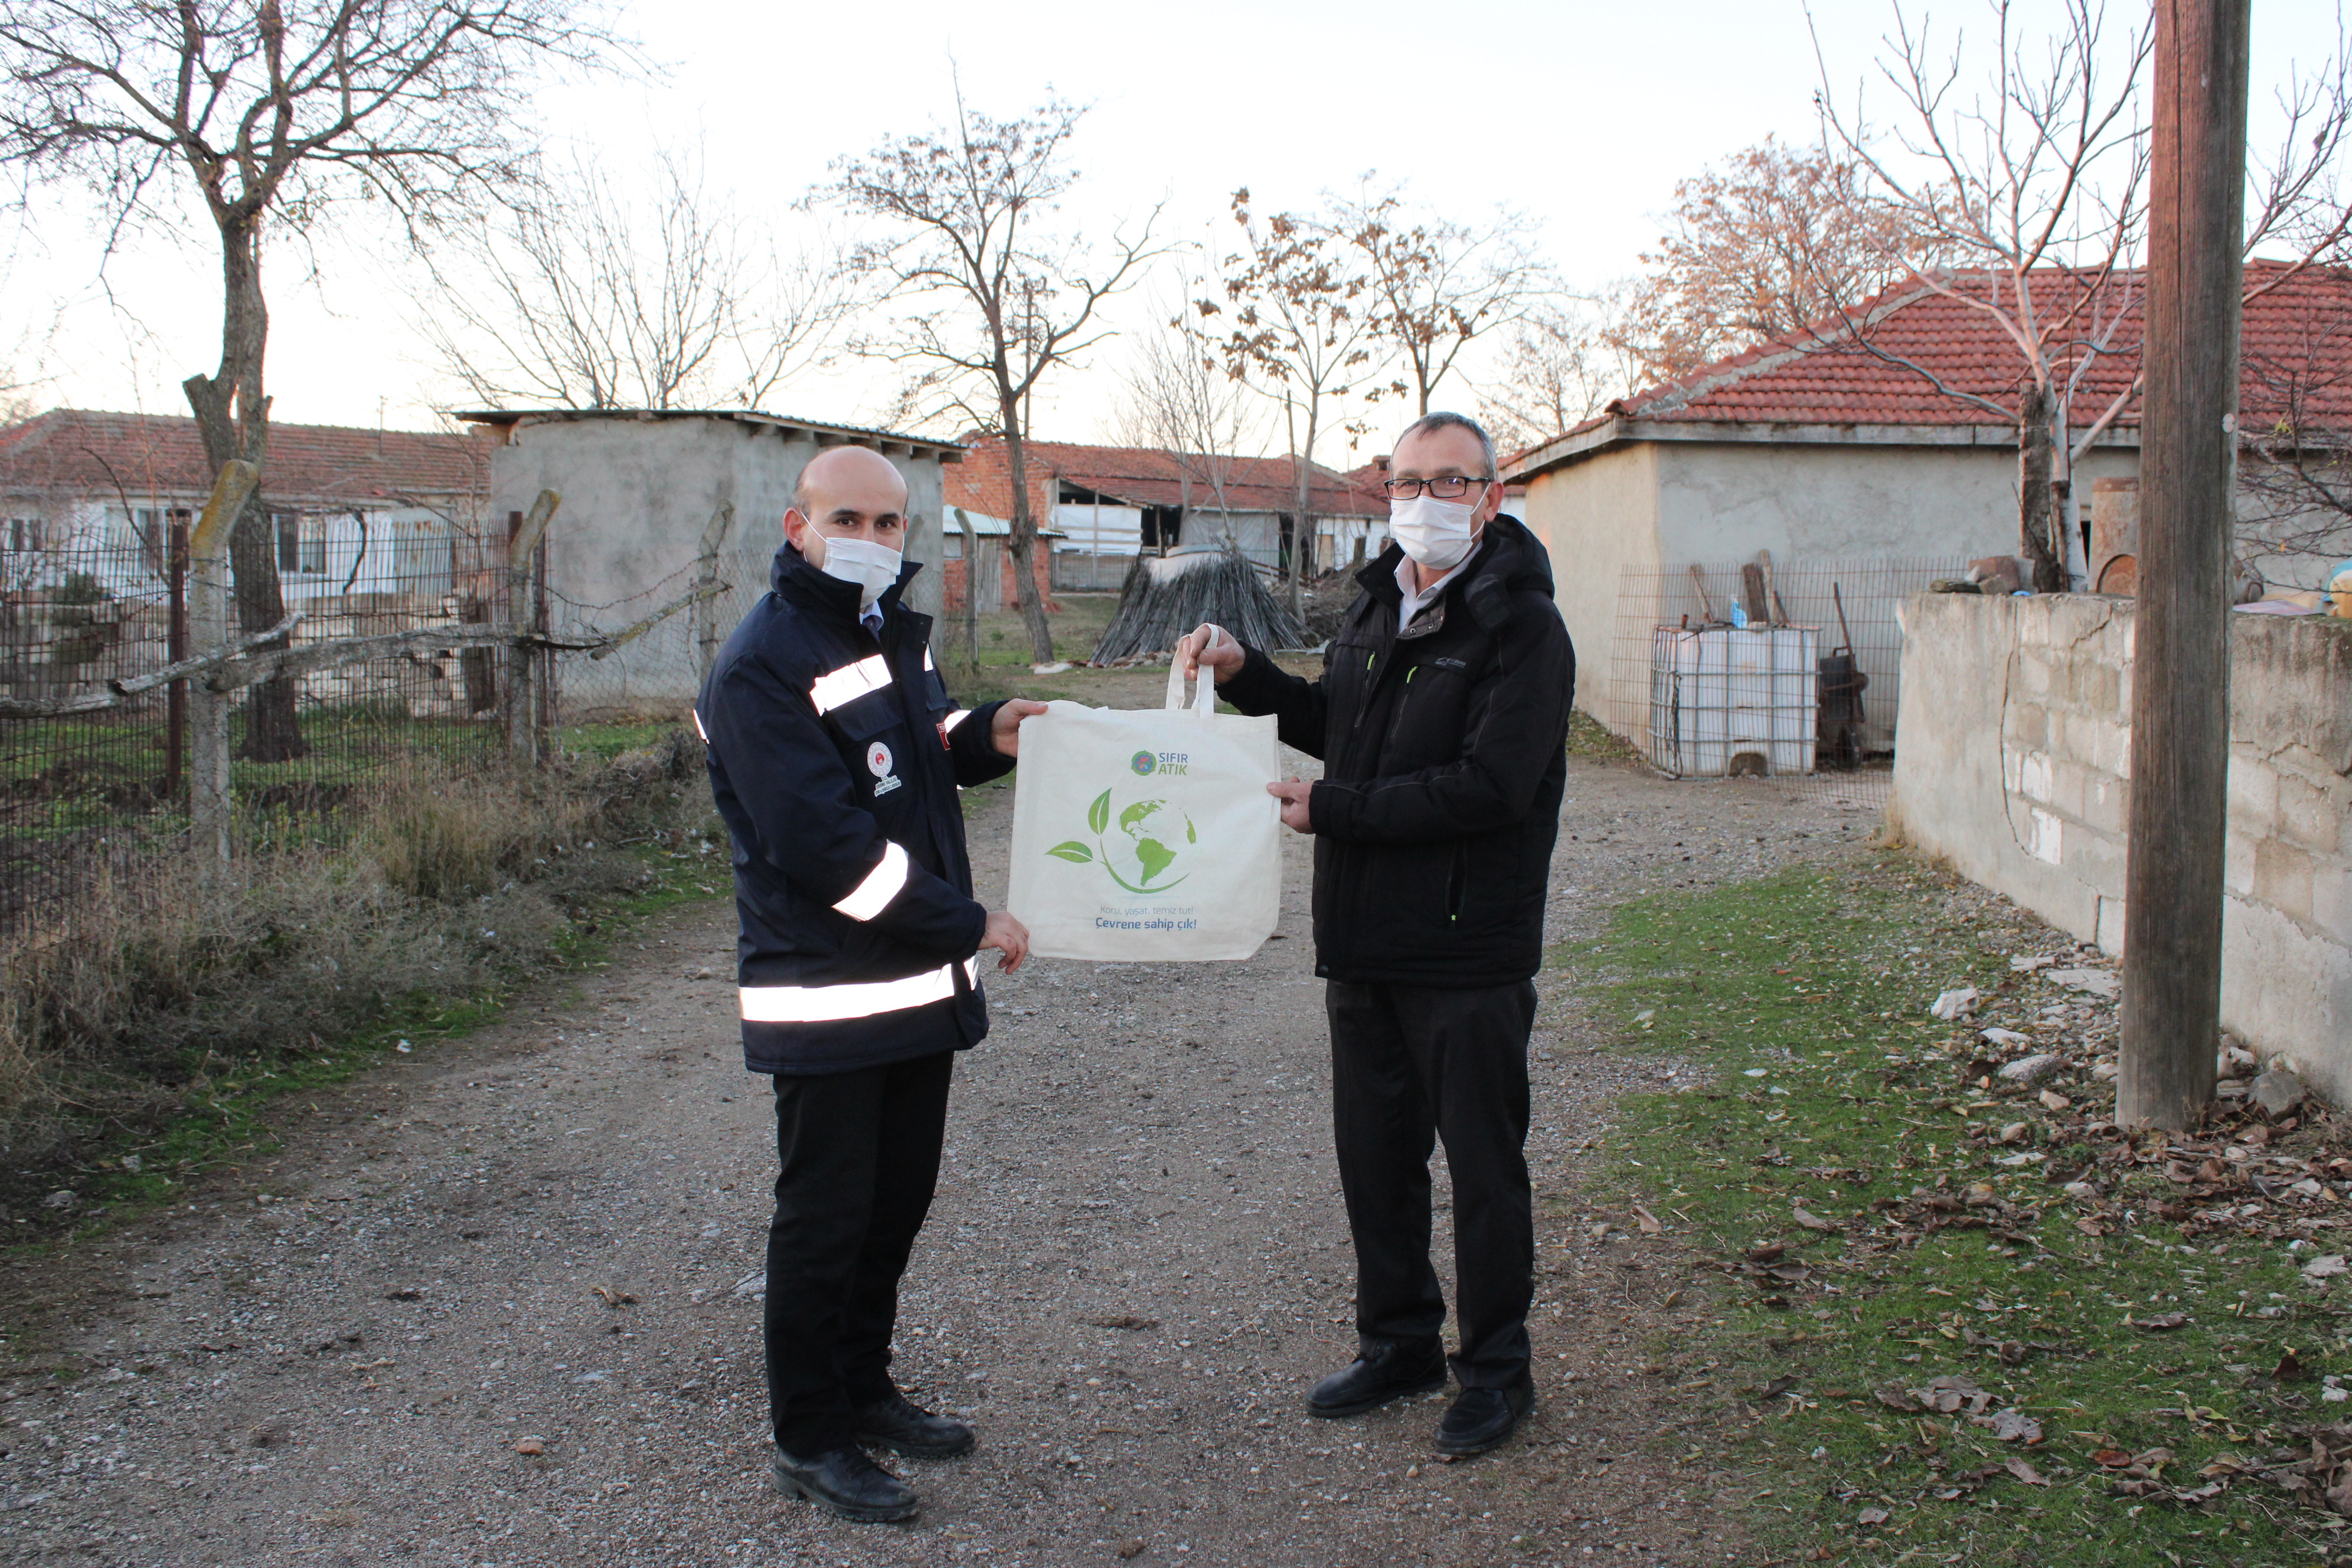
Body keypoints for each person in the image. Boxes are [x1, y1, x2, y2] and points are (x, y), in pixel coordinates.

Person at [1177, 411, 1573, 1457]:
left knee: (1484, 1170)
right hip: (1363, 941)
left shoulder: (1521, 625)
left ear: (1492, 498)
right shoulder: (1373, 606)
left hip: (1465, 948)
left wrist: (1337, 810)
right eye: (1408, 483)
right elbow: (1338, 726)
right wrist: (1241, 674)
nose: (1426, 502)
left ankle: (1496, 1371)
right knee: (1377, 1159)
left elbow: (1495, 787)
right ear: (1386, 496)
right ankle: (1397, 1341)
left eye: (1451, 483)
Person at [696, 445, 1044, 1524]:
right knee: (825, 1220)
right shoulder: (763, 663)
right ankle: (809, 1436)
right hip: (833, 996)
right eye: (849, 518)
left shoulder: (882, 629)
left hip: (912, 992)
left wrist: (986, 732)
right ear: (797, 526)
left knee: (895, 1206)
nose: (873, 539)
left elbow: (915, 748)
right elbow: (830, 851)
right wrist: (972, 922)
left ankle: (864, 1387)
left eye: (891, 524)